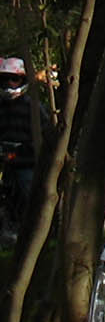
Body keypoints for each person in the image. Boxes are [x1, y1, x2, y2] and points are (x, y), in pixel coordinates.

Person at [0, 56, 53, 234]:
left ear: (22, 80)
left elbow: (45, 138)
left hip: (25, 164)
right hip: (4, 162)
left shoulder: (34, 108)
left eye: (13, 79)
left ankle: (31, 232)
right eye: (5, 79)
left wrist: (19, 151)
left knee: (28, 196)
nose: (9, 83)